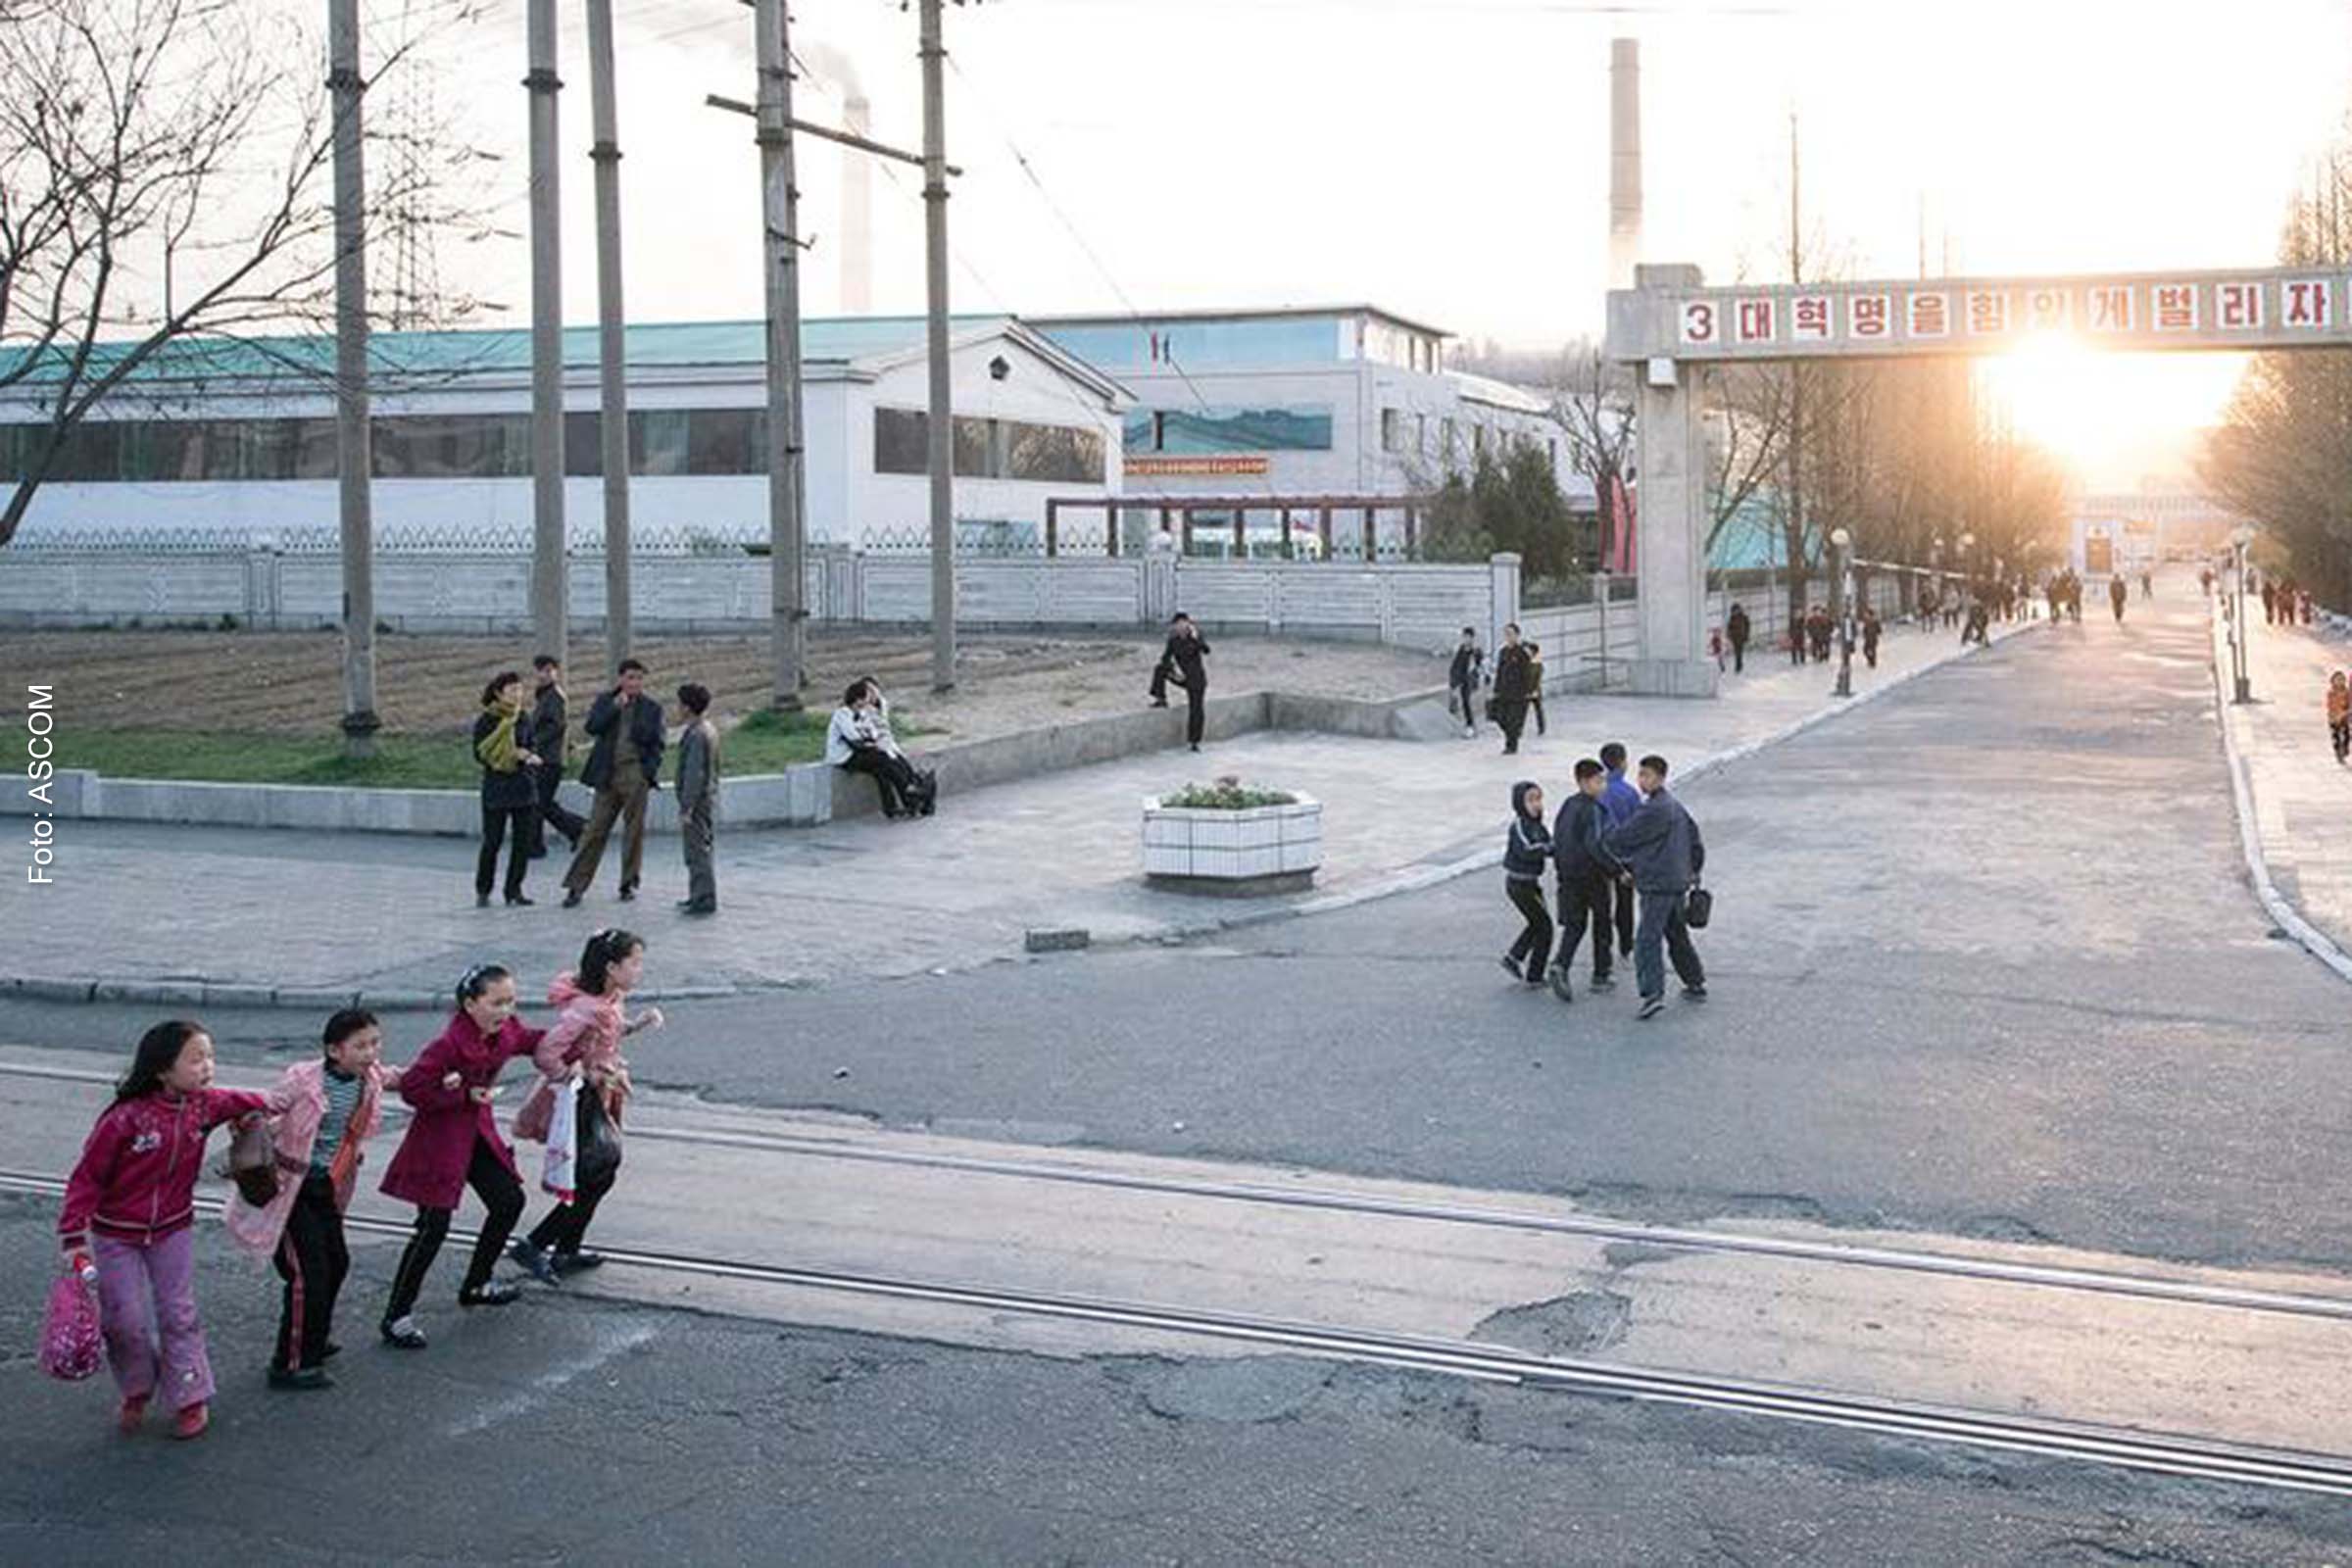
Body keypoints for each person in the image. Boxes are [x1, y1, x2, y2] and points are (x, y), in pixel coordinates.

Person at [58, 1020, 270, 1440]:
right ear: (161, 1070)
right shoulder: (124, 1119)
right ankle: (137, 1388)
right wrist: (73, 1236)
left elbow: (259, 1101)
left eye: (210, 1057)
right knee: (124, 1321)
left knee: (178, 1314)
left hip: (173, 1229)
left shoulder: (205, 1106)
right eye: (196, 1059)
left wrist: (270, 1109)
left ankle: (190, 1396)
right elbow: (87, 1178)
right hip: (115, 1234)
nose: (207, 1067)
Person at [224, 1008, 399, 1393]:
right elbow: (269, 1102)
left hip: (325, 1186)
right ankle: (292, 1363)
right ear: (334, 1051)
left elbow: (397, 1077)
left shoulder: (368, 1077)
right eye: (361, 1046)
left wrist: (444, 1076)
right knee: (308, 1274)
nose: (371, 1052)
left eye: (375, 1043)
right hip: (290, 1188)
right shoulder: (304, 1080)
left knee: (337, 1262)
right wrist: (228, 1109)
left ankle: (313, 1334)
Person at [377, 963, 545, 1350]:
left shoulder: (504, 1030)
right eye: (496, 1003)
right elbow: (414, 1089)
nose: (506, 1011)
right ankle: (397, 1315)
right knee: (432, 1228)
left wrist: (580, 1035)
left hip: (476, 1135)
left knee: (508, 1201)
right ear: (470, 1004)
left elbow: (530, 1040)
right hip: (439, 1142)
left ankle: (477, 1282)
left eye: (511, 1001)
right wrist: (461, 1094)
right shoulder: (448, 1045)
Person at [511, 929, 664, 1282]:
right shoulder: (586, 1009)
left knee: (600, 1173)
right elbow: (547, 1052)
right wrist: (572, 1075)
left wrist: (637, 1025)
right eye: (634, 963)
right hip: (582, 1099)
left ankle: (566, 1248)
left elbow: (607, 1035)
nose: (639, 970)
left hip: (600, 1093)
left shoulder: (608, 1000)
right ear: (612, 968)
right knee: (594, 1172)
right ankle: (535, 1244)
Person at [1601, 754, 1707, 1019]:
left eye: (1646, 775)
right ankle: (1694, 981)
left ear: (1660, 778)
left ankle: (1652, 994)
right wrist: (1692, 871)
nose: (1641, 780)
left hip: (1658, 883)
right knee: (1676, 933)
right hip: (1676, 881)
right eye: (1640, 774)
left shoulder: (1654, 809)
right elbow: (1695, 840)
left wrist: (1604, 830)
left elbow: (1624, 838)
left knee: (1647, 940)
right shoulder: (1674, 806)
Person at [561, 659, 665, 909]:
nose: (635, 683)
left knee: (634, 831)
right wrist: (614, 708)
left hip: (635, 774)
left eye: (639, 678)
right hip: (607, 774)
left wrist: (646, 772)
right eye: (630, 678)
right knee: (595, 830)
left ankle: (628, 883)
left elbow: (657, 744)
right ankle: (576, 885)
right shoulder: (606, 701)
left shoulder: (651, 708)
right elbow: (592, 727)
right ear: (620, 679)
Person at [1547, 759, 1622, 1001]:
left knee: (1575, 925)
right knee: (1602, 923)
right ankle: (1601, 974)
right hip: (1593, 875)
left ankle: (1561, 964)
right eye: (1598, 781)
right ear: (1583, 782)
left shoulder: (1568, 805)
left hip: (1568, 876)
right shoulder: (1592, 809)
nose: (1603, 786)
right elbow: (1596, 845)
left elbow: (1558, 839)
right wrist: (1617, 870)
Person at [472, 671, 542, 908]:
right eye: (512, 690)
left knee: (522, 843)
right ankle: (483, 889)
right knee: (492, 841)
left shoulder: (523, 717)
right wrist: (510, 755)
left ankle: (514, 890)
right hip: (497, 787)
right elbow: (480, 753)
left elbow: (532, 744)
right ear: (498, 693)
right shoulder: (487, 720)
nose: (517, 694)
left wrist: (528, 755)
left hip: (523, 786)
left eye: (520, 689)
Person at [827, 679, 931, 819]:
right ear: (857, 698)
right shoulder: (842, 714)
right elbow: (853, 738)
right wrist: (868, 740)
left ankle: (894, 807)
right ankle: (909, 791)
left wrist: (869, 739)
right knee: (884, 758)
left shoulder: (862, 713)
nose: (868, 701)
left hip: (862, 751)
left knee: (884, 769)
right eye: (866, 697)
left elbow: (873, 733)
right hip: (845, 757)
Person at [523, 655, 584, 859]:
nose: (544, 674)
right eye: (541, 670)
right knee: (544, 803)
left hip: (549, 759)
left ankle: (535, 846)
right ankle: (579, 829)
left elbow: (557, 726)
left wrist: (534, 744)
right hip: (546, 758)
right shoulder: (545, 695)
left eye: (549, 671)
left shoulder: (555, 696)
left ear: (556, 673)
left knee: (538, 803)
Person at [1499, 781, 1552, 988]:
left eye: (1539, 799)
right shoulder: (1519, 825)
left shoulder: (1538, 825)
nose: (1536, 804)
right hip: (1518, 884)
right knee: (1545, 927)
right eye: (1531, 800)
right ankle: (1534, 975)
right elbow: (1526, 850)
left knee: (1537, 924)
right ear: (1519, 803)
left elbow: (1552, 844)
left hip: (1531, 883)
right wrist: (1547, 849)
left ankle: (1514, 958)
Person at [674, 682, 720, 915]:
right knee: (702, 847)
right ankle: (698, 894)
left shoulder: (696, 735)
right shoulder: (708, 729)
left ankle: (703, 898)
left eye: (679, 704)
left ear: (687, 707)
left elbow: (694, 773)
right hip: (708, 797)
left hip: (697, 802)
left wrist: (687, 806)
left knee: (696, 851)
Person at [1596, 742, 1642, 962]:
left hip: (1602, 855)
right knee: (1625, 902)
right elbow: (1638, 825)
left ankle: (1604, 946)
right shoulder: (1630, 793)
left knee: (1602, 902)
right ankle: (1626, 943)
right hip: (1626, 856)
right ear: (1623, 763)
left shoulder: (1598, 791)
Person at [1151, 612, 1212, 752]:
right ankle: (1160, 698)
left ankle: (1194, 741)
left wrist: (1196, 639)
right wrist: (1173, 669)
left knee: (1196, 709)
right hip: (1181, 677)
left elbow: (1206, 650)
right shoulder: (1173, 641)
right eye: (1177, 625)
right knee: (1160, 669)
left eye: (1184, 624)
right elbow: (1165, 658)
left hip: (1196, 680)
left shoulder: (1196, 637)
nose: (1180, 627)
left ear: (1189, 624)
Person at [1490, 623, 1534, 755]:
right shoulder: (1503, 652)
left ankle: (1511, 745)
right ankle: (1512, 735)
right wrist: (1496, 689)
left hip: (1517, 693)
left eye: (1511, 634)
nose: (1508, 637)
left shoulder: (1521, 653)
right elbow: (1499, 671)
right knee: (1501, 718)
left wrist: (1528, 690)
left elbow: (1527, 673)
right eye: (1506, 634)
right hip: (1504, 692)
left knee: (1512, 720)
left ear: (1517, 635)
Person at [1448, 626, 1486, 738]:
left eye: (1468, 637)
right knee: (1457, 704)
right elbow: (1455, 665)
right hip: (1459, 680)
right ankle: (1466, 725)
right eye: (1464, 637)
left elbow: (1479, 666)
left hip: (1469, 681)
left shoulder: (1475, 651)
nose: (1466, 639)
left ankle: (1470, 726)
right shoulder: (1460, 649)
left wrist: (1478, 677)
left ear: (1472, 638)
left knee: (1466, 703)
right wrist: (1453, 682)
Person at [1525, 640, 1548, 736]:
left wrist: (1535, 690)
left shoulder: (1537, 663)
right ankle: (1519, 728)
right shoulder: (1526, 661)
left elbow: (1538, 678)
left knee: (1538, 709)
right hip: (1526, 689)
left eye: (1529, 650)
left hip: (1535, 690)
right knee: (1522, 710)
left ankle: (1541, 728)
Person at [2329, 671, 2350, 765]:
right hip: (2334, 718)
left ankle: (2345, 749)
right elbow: (2331, 705)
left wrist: (2346, 712)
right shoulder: (2331, 693)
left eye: (2342, 679)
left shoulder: (2347, 692)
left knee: (2346, 735)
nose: (2340, 682)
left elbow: (2349, 703)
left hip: (2345, 717)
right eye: (2338, 680)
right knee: (2336, 736)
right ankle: (2338, 752)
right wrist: (2336, 714)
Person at [1726, 602, 1751, 674]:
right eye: (1734, 611)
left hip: (1741, 637)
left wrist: (1746, 636)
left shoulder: (1744, 617)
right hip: (1734, 637)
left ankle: (1738, 666)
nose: (1735, 612)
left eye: (1736, 610)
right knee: (1737, 652)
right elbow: (1729, 627)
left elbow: (1747, 627)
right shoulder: (1732, 618)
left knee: (1739, 652)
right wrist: (1729, 635)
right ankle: (1738, 665)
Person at [1859, 604, 1883, 669]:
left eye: (1867, 614)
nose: (1865, 615)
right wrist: (1864, 634)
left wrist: (1874, 631)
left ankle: (1872, 663)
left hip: (1873, 639)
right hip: (1868, 639)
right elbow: (1864, 630)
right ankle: (1871, 661)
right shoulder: (1866, 622)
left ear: (1870, 614)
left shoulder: (1875, 622)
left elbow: (1879, 631)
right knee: (1865, 650)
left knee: (1872, 650)